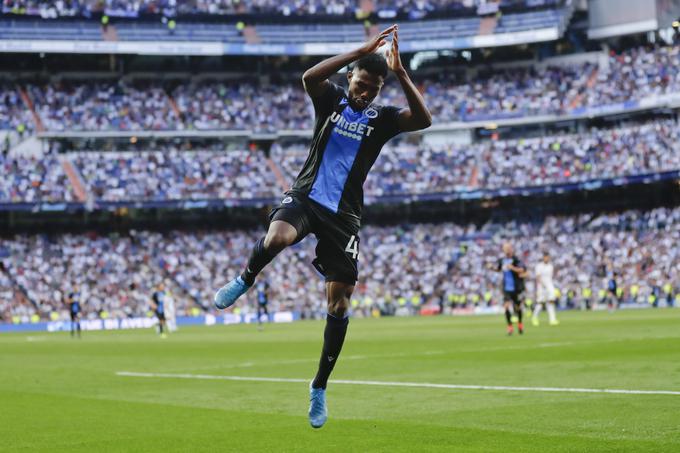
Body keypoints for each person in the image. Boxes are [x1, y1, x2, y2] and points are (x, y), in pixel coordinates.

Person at [213, 24, 431, 429]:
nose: (364, 93)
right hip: (306, 197)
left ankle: (319, 386)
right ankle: (246, 277)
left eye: (372, 89)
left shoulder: (381, 119)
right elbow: (309, 77)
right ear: (350, 77)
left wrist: (399, 72)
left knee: (340, 301)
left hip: (344, 216)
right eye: (361, 84)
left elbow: (423, 120)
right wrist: (360, 51)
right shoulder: (330, 98)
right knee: (278, 236)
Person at [491, 242, 526, 335]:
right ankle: (510, 326)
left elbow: (522, 270)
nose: (506, 250)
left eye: (508, 248)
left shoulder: (516, 259)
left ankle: (520, 323)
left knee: (517, 307)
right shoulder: (502, 260)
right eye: (504, 248)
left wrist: (512, 268)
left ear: (511, 249)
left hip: (516, 287)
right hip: (506, 288)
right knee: (506, 306)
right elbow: (498, 269)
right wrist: (491, 268)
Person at [531, 252, 559, 326]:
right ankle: (534, 317)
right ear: (543, 257)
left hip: (549, 286)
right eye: (546, 257)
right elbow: (538, 276)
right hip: (541, 286)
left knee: (551, 302)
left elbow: (550, 277)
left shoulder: (550, 266)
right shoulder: (539, 266)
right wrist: (542, 285)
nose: (547, 258)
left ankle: (552, 319)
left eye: (548, 257)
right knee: (540, 303)